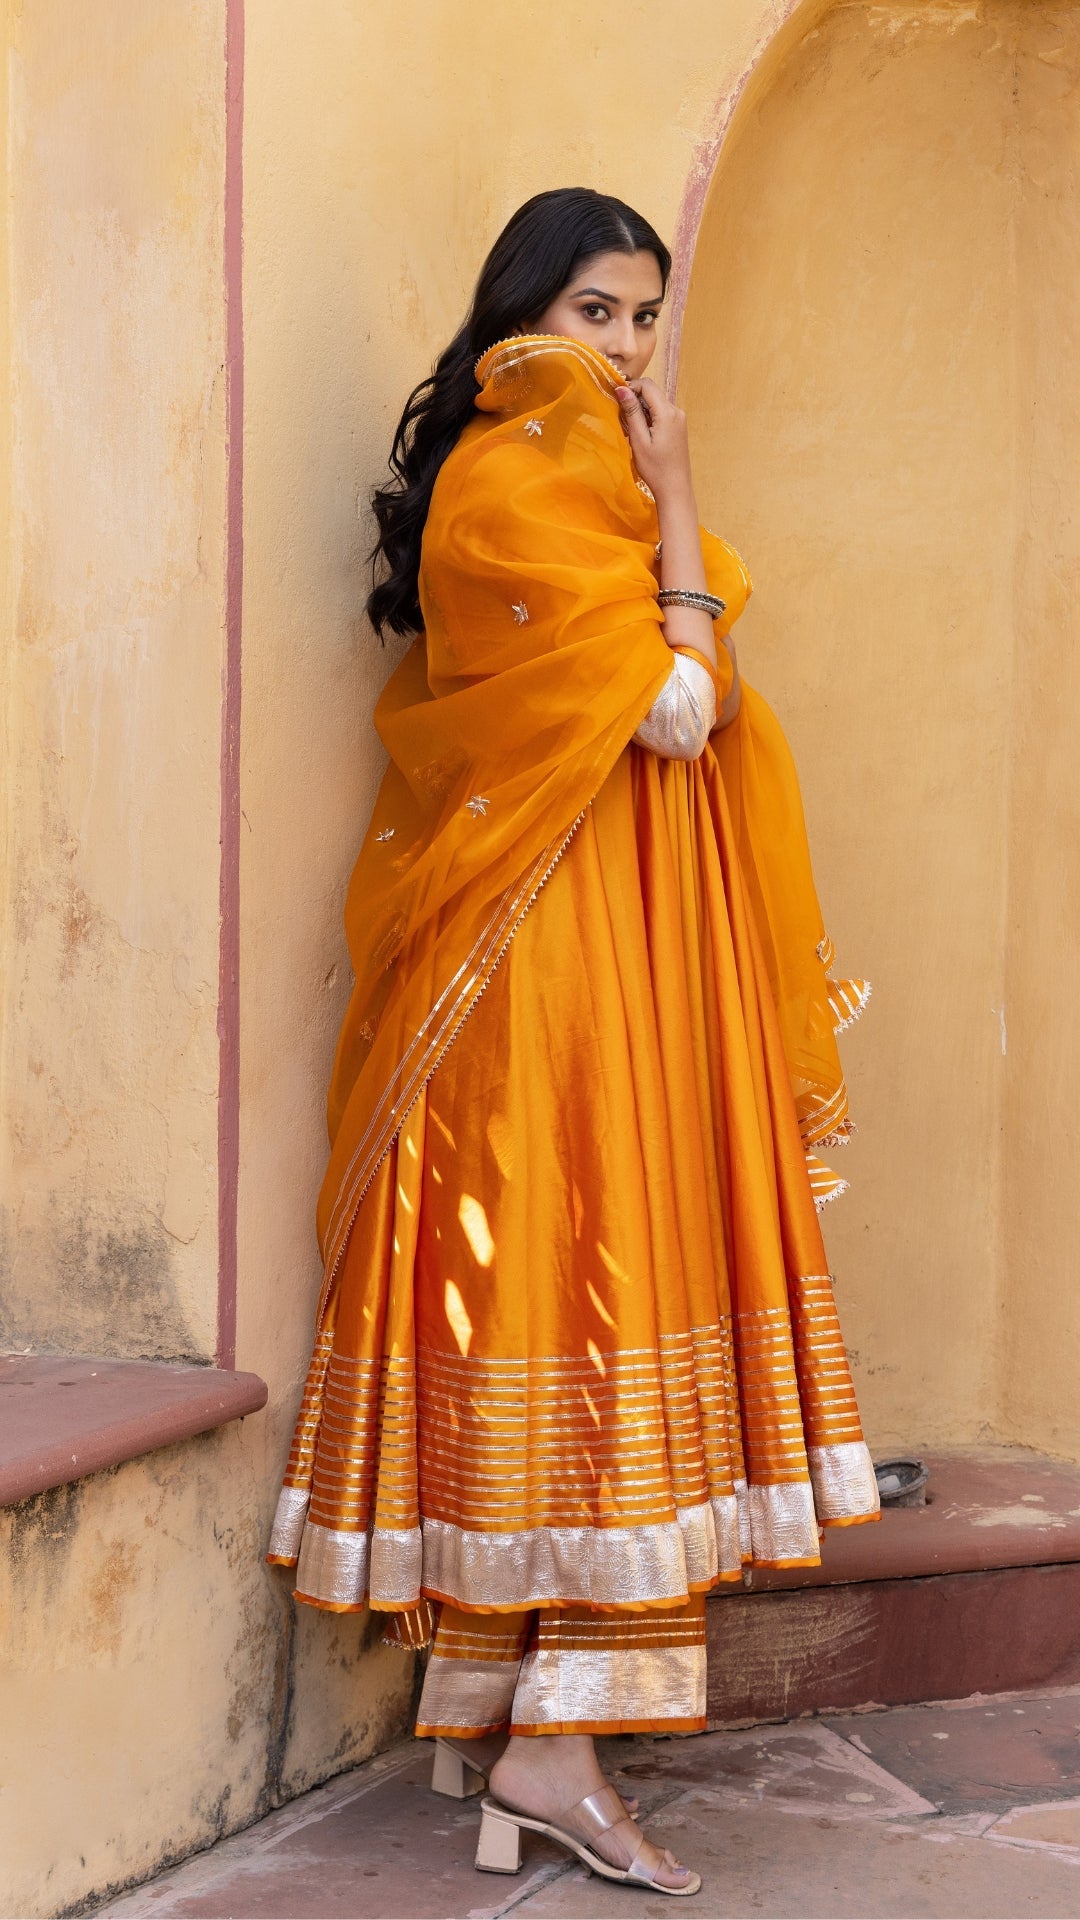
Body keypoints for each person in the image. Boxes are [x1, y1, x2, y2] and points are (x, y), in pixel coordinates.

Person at [268, 187, 879, 1898]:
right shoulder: (510, 479)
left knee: (593, 1284)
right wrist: (681, 503)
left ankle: (511, 1713)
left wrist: (662, 524)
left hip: (610, 942)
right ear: (523, 310)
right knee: (600, 1288)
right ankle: (552, 1752)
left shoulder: (568, 478)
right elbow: (681, 703)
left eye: (643, 321)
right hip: (547, 969)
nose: (623, 351)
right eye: (599, 312)